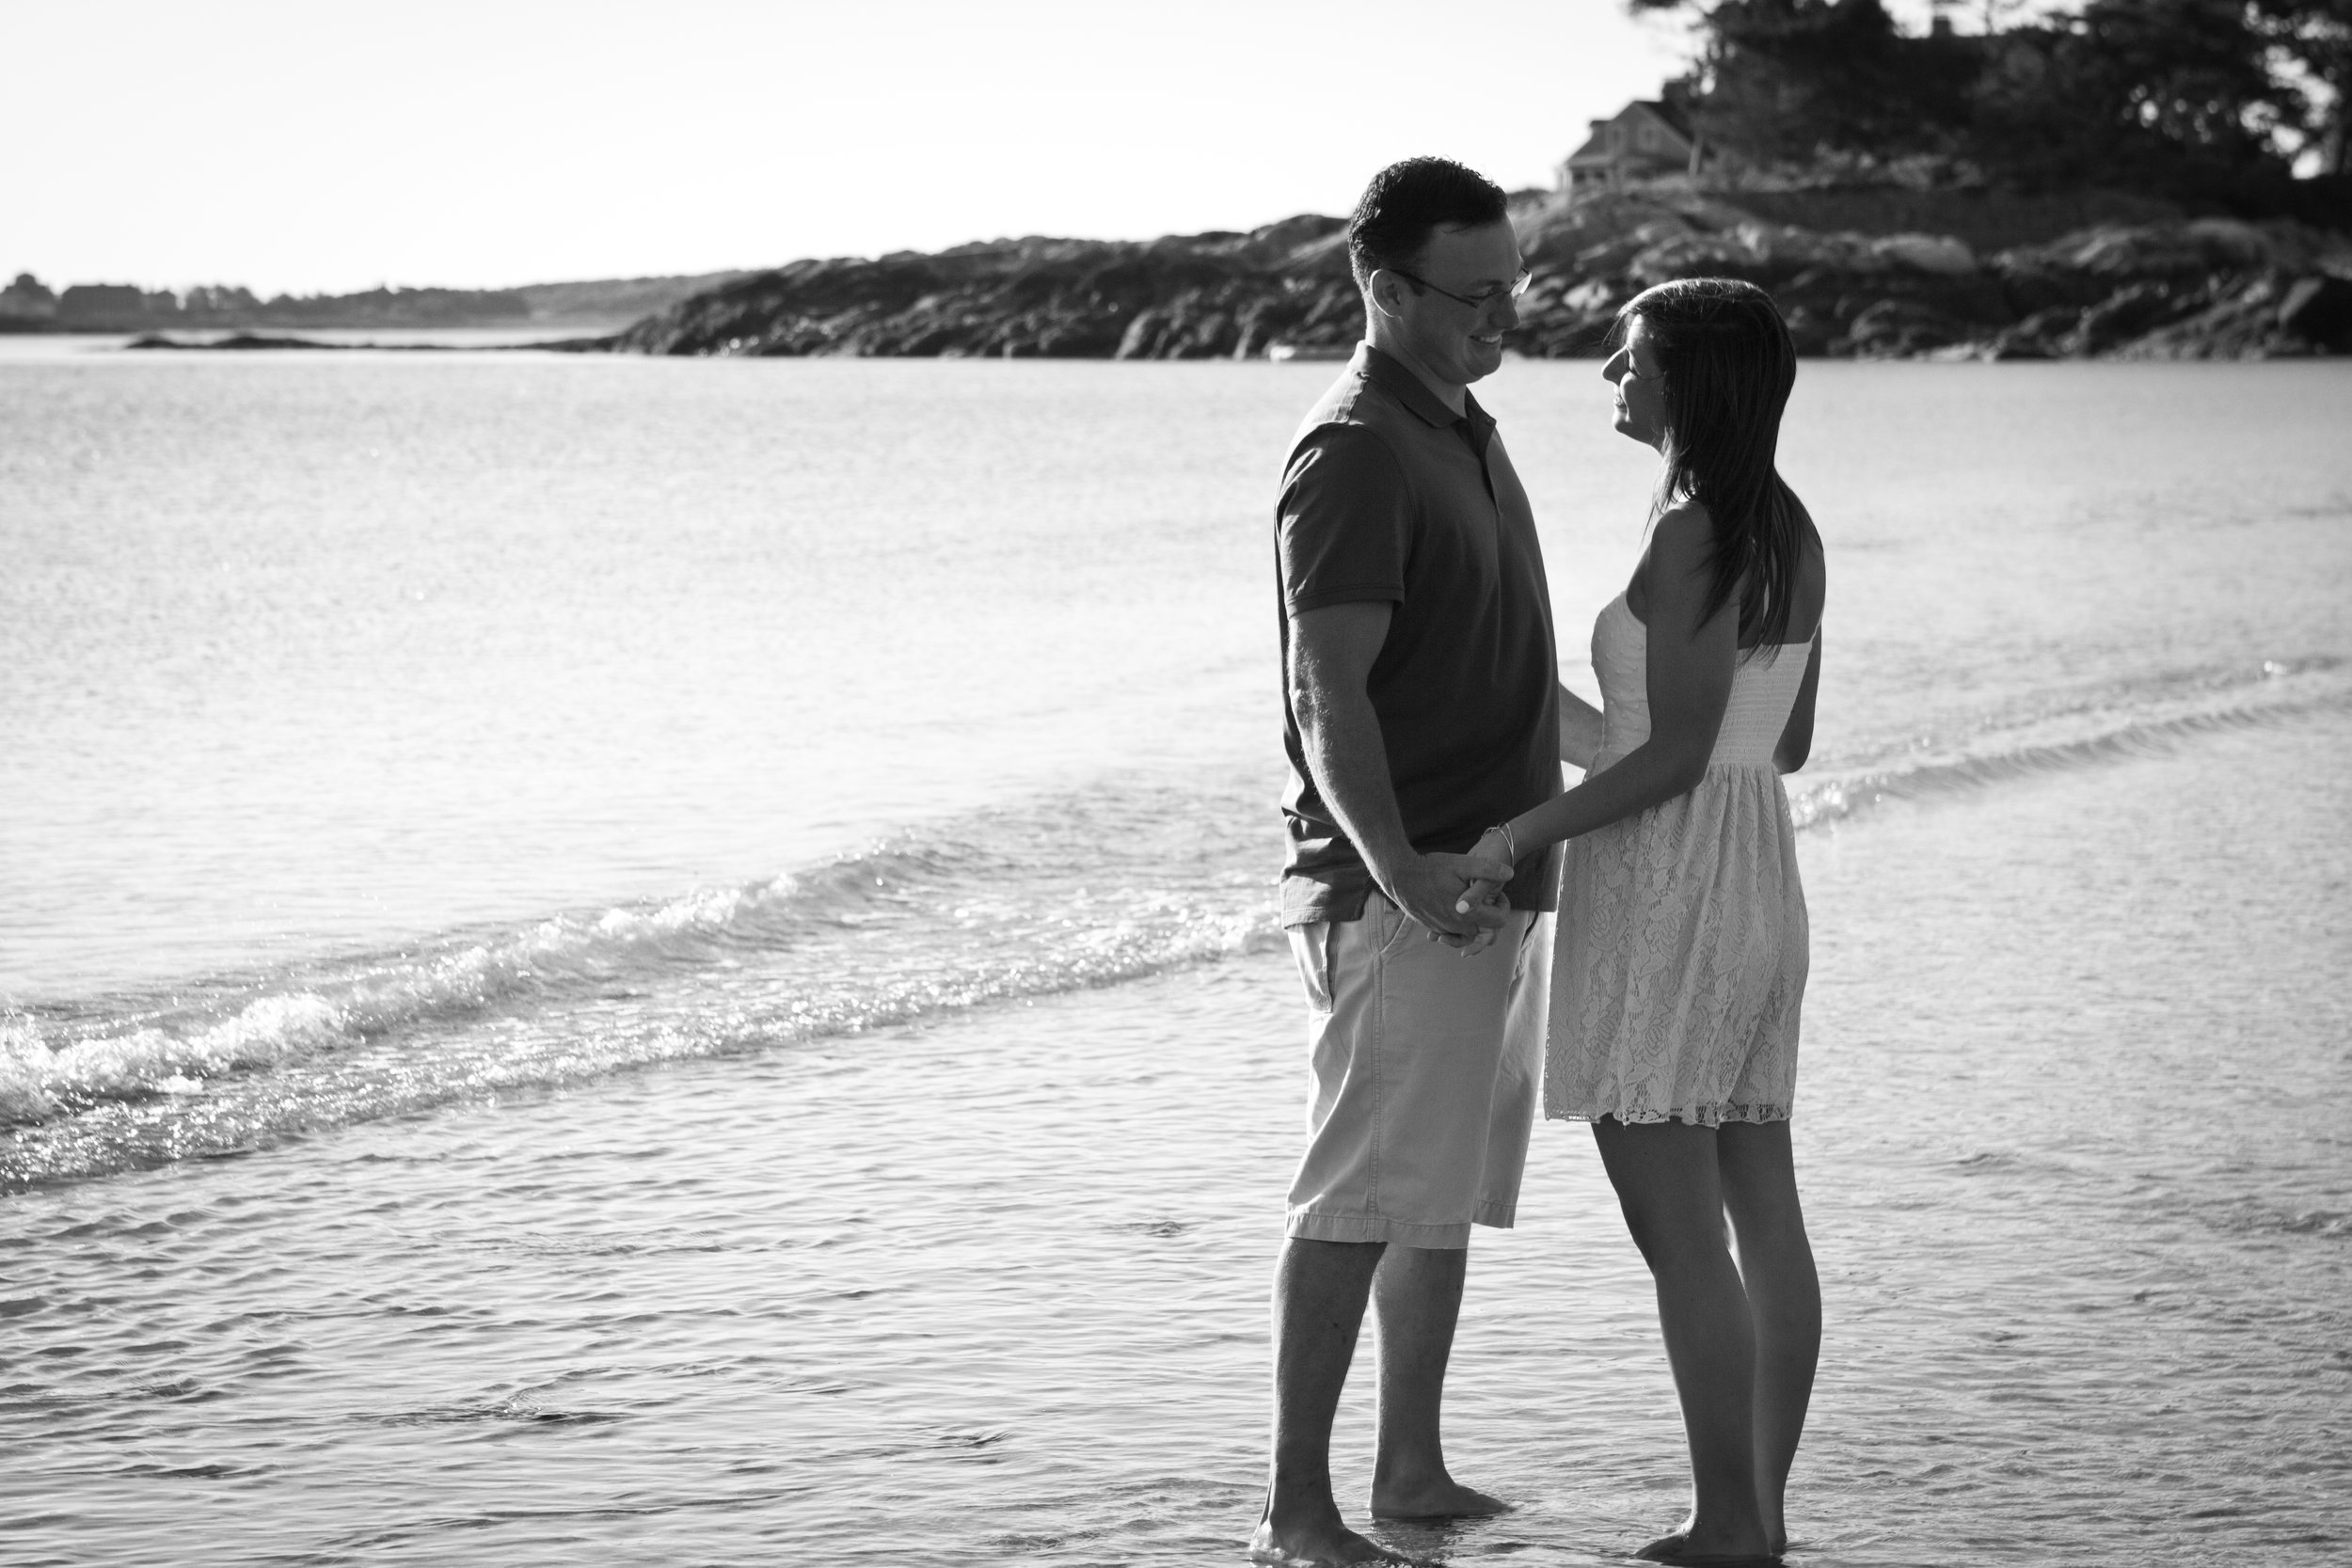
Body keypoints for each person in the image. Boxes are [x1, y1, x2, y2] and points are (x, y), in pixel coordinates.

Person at [1459, 277, 1825, 1565]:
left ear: (1689, 381)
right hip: (1755, 878)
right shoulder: (1790, 526)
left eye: (1630, 359)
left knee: (1679, 1238)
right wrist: (1522, 708)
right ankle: (1757, 1514)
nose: (1612, 377)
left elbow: (1666, 759)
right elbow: (1776, 743)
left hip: (1668, 886)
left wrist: (1513, 834)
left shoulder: (1686, 532)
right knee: (1761, 1213)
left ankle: (1730, 1521)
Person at [1251, 156, 1565, 1568]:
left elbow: (1497, 659)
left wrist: (1672, 757)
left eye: (1516, 282)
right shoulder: (1358, 446)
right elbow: (1331, 696)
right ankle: (1297, 1514)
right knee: (1364, 1191)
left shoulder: (1463, 422)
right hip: (1403, 887)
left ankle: (1412, 1472)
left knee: (1433, 1196)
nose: (1507, 310)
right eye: (1476, 290)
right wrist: (1401, 871)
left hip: (1487, 878)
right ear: (1385, 289)